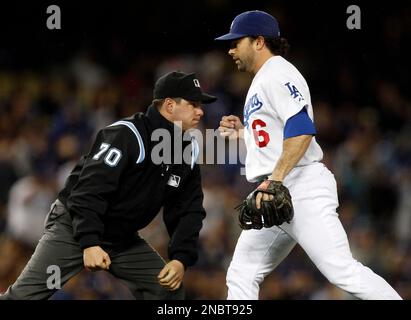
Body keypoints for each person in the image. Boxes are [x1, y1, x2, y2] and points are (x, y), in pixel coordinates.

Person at [216, 10, 402, 300]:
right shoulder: (265, 78)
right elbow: (279, 136)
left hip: (299, 186)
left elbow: (302, 130)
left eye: (236, 42)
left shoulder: (277, 73)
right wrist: (245, 132)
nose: (230, 50)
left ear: (259, 41)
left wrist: (274, 182)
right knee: (242, 272)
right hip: (278, 188)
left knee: (343, 271)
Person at [0, 71, 217, 300]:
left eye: (200, 105)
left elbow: (187, 209)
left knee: (167, 292)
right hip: (75, 228)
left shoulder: (187, 149)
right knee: (24, 297)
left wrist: (180, 258)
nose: (200, 111)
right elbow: (87, 192)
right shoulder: (127, 134)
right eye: (193, 104)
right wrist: (90, 241)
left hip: (121, 238)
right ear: (170, 106)